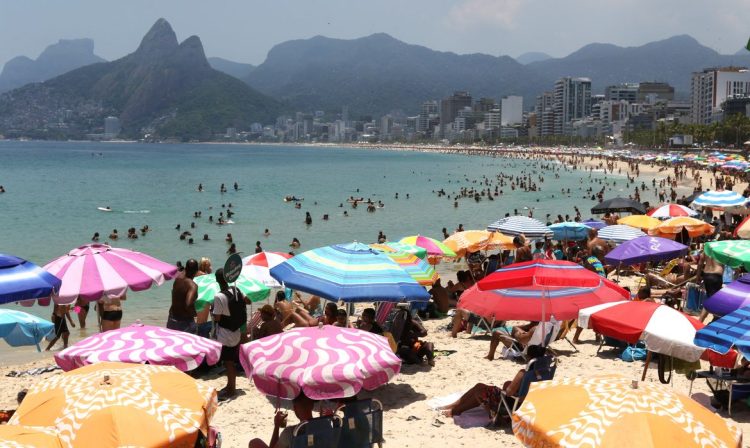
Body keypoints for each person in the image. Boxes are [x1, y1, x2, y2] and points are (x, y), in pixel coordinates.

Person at [440, 345, 548, 418]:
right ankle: (453, 406)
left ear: (529, 357)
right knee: (480, 386)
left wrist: (507, 387)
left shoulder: (524, 373)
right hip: (526, 404)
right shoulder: (546, 372)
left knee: (480, 392)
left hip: (511, 405)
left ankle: (455, 410)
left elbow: (509, 393)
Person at [212, 268, 249, 401]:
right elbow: (247, 300)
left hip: (226, 334)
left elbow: (217, 318)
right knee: (231, 361)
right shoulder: (237, 290)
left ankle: (231, 389)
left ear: (217, 280)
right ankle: (230, 385)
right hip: (236, 331)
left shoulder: (219, 296)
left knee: (228, 363)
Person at [248, 392, 315, 448]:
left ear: (295, 408)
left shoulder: (291, 432)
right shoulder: (323, 426)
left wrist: (276, 427)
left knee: (254, 442)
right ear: (312, 405)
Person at [167, 258, 199, 333]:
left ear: (186, 268)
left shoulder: (178, 278)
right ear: (196, 271)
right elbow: (188, 304)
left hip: (172, 319)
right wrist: (194, 314)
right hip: (184, 322)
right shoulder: (192, 285)